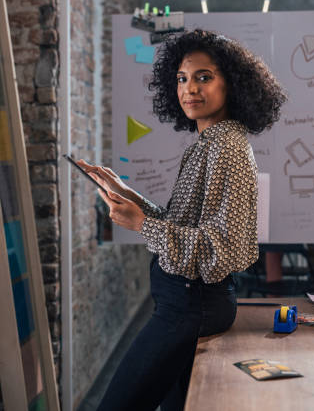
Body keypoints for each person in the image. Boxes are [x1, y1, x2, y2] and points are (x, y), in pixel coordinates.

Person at [78, 28, 287, 411]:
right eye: (182, 78)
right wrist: (128, 195)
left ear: (233, 86)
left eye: (203, 77)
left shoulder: (227, 148)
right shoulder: (209, 143)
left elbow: (219, 252)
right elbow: (185, 227)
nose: (189, 88)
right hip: (184, 303)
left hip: (192, 306)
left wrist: (142, 224)